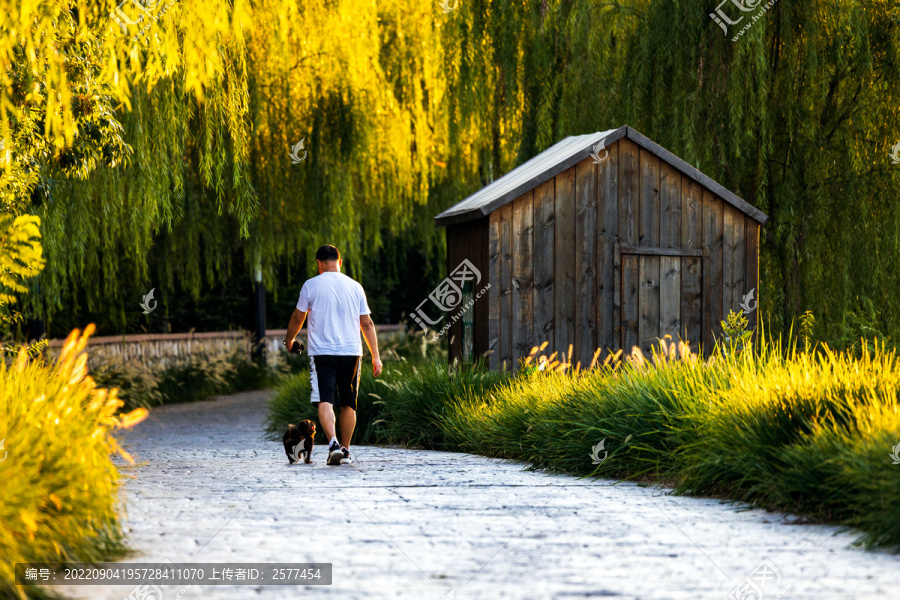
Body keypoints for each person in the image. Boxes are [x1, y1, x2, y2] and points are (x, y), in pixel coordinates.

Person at [283, 245, 383, 465]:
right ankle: (345, 451)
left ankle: (333, 445)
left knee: (325, 399)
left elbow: (297, 317)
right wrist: (376, 356)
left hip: (322, 354)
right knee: (349, 402)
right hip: (352, 352)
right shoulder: (355, 286)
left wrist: (290, 340)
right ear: (340, 261)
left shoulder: (311, 285)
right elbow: (366, 324)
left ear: (318, 263)